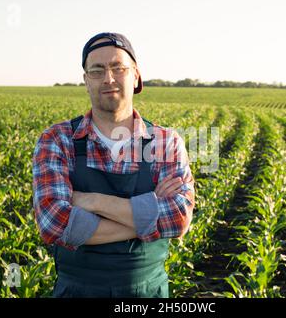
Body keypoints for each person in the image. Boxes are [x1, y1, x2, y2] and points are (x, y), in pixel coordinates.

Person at [32, 32, 195, 298]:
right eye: (97, 70)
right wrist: (151, 216)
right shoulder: (57, 139)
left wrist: (91, 201)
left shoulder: (166, 141)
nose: (108, 79)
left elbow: (178, 219)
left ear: (136, 76)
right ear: (86, 81)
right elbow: (54, 224)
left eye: (118, 68)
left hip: (148, 293)